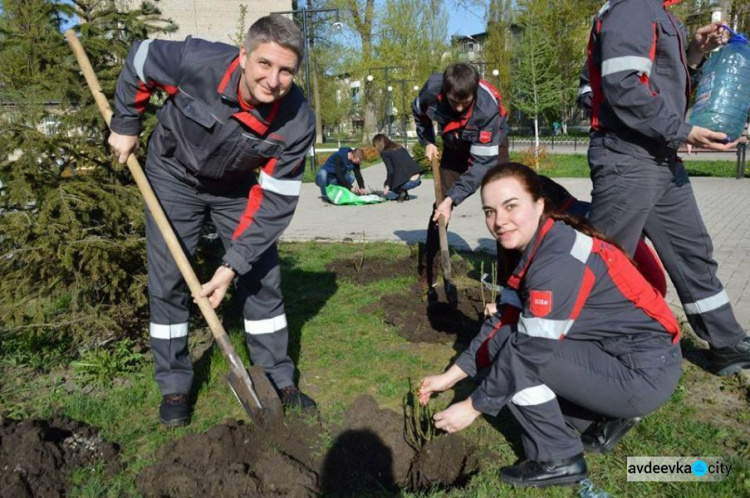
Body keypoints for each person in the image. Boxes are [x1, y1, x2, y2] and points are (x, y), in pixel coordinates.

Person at [108, 15, 317, 427]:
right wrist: (126, 124)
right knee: (168, 277)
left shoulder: (296, 121)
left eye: (286, 71)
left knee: (260, 273)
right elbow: (139, 60)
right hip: (172, 176)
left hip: (234, 185)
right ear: (243, 56)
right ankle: (174, 385)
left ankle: (276, 376)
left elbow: (275, 204)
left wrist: (231, 265)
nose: (273, 80)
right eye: (264, 64)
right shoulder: (196, 62)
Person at [418, 163, 682, 488]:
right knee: (513, 340)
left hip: (642, 373)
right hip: (630, 358)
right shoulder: (542, 244)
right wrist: (451, 376)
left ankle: (557, 458)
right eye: (490, 211)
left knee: (515, 358)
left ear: (539, 205)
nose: (499, 221)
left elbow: (527, 354)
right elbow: (505, 320)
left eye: (511, 206)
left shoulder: (555, 261)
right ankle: (598, 424)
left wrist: (472, 407)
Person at [582, 1, 749, 376]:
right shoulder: (634, 9)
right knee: (607, 263)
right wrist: (684, 130)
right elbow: (623, 88)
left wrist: (693, 51)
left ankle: (726, 343)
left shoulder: (657, 12)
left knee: (693, 251)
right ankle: (588, 361)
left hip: (658, 156)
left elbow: (658, 83)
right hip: (627, 157)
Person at [412, 63, 509, 291]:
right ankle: (430, 273)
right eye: (453, 101)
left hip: (491, 147)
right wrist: (427, 142)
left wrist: (452, 199)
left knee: (503, 207)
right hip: (454, 142)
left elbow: (480, 166)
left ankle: (507, 277)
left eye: (464, 103)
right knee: (439, 210)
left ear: (473, 93)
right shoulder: (431, 90)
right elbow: (419, 113)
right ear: (445, 91)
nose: (457, 108)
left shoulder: (487, 110)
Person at [371, 133, 423, 202]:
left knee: (388, 183)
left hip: (408, 182)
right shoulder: (399, 147)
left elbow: (390, 170)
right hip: (417, 179)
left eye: (375, 146)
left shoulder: (385, 153)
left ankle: (401, 193)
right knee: (396, 180)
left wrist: (387, 185)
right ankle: (404, 194)